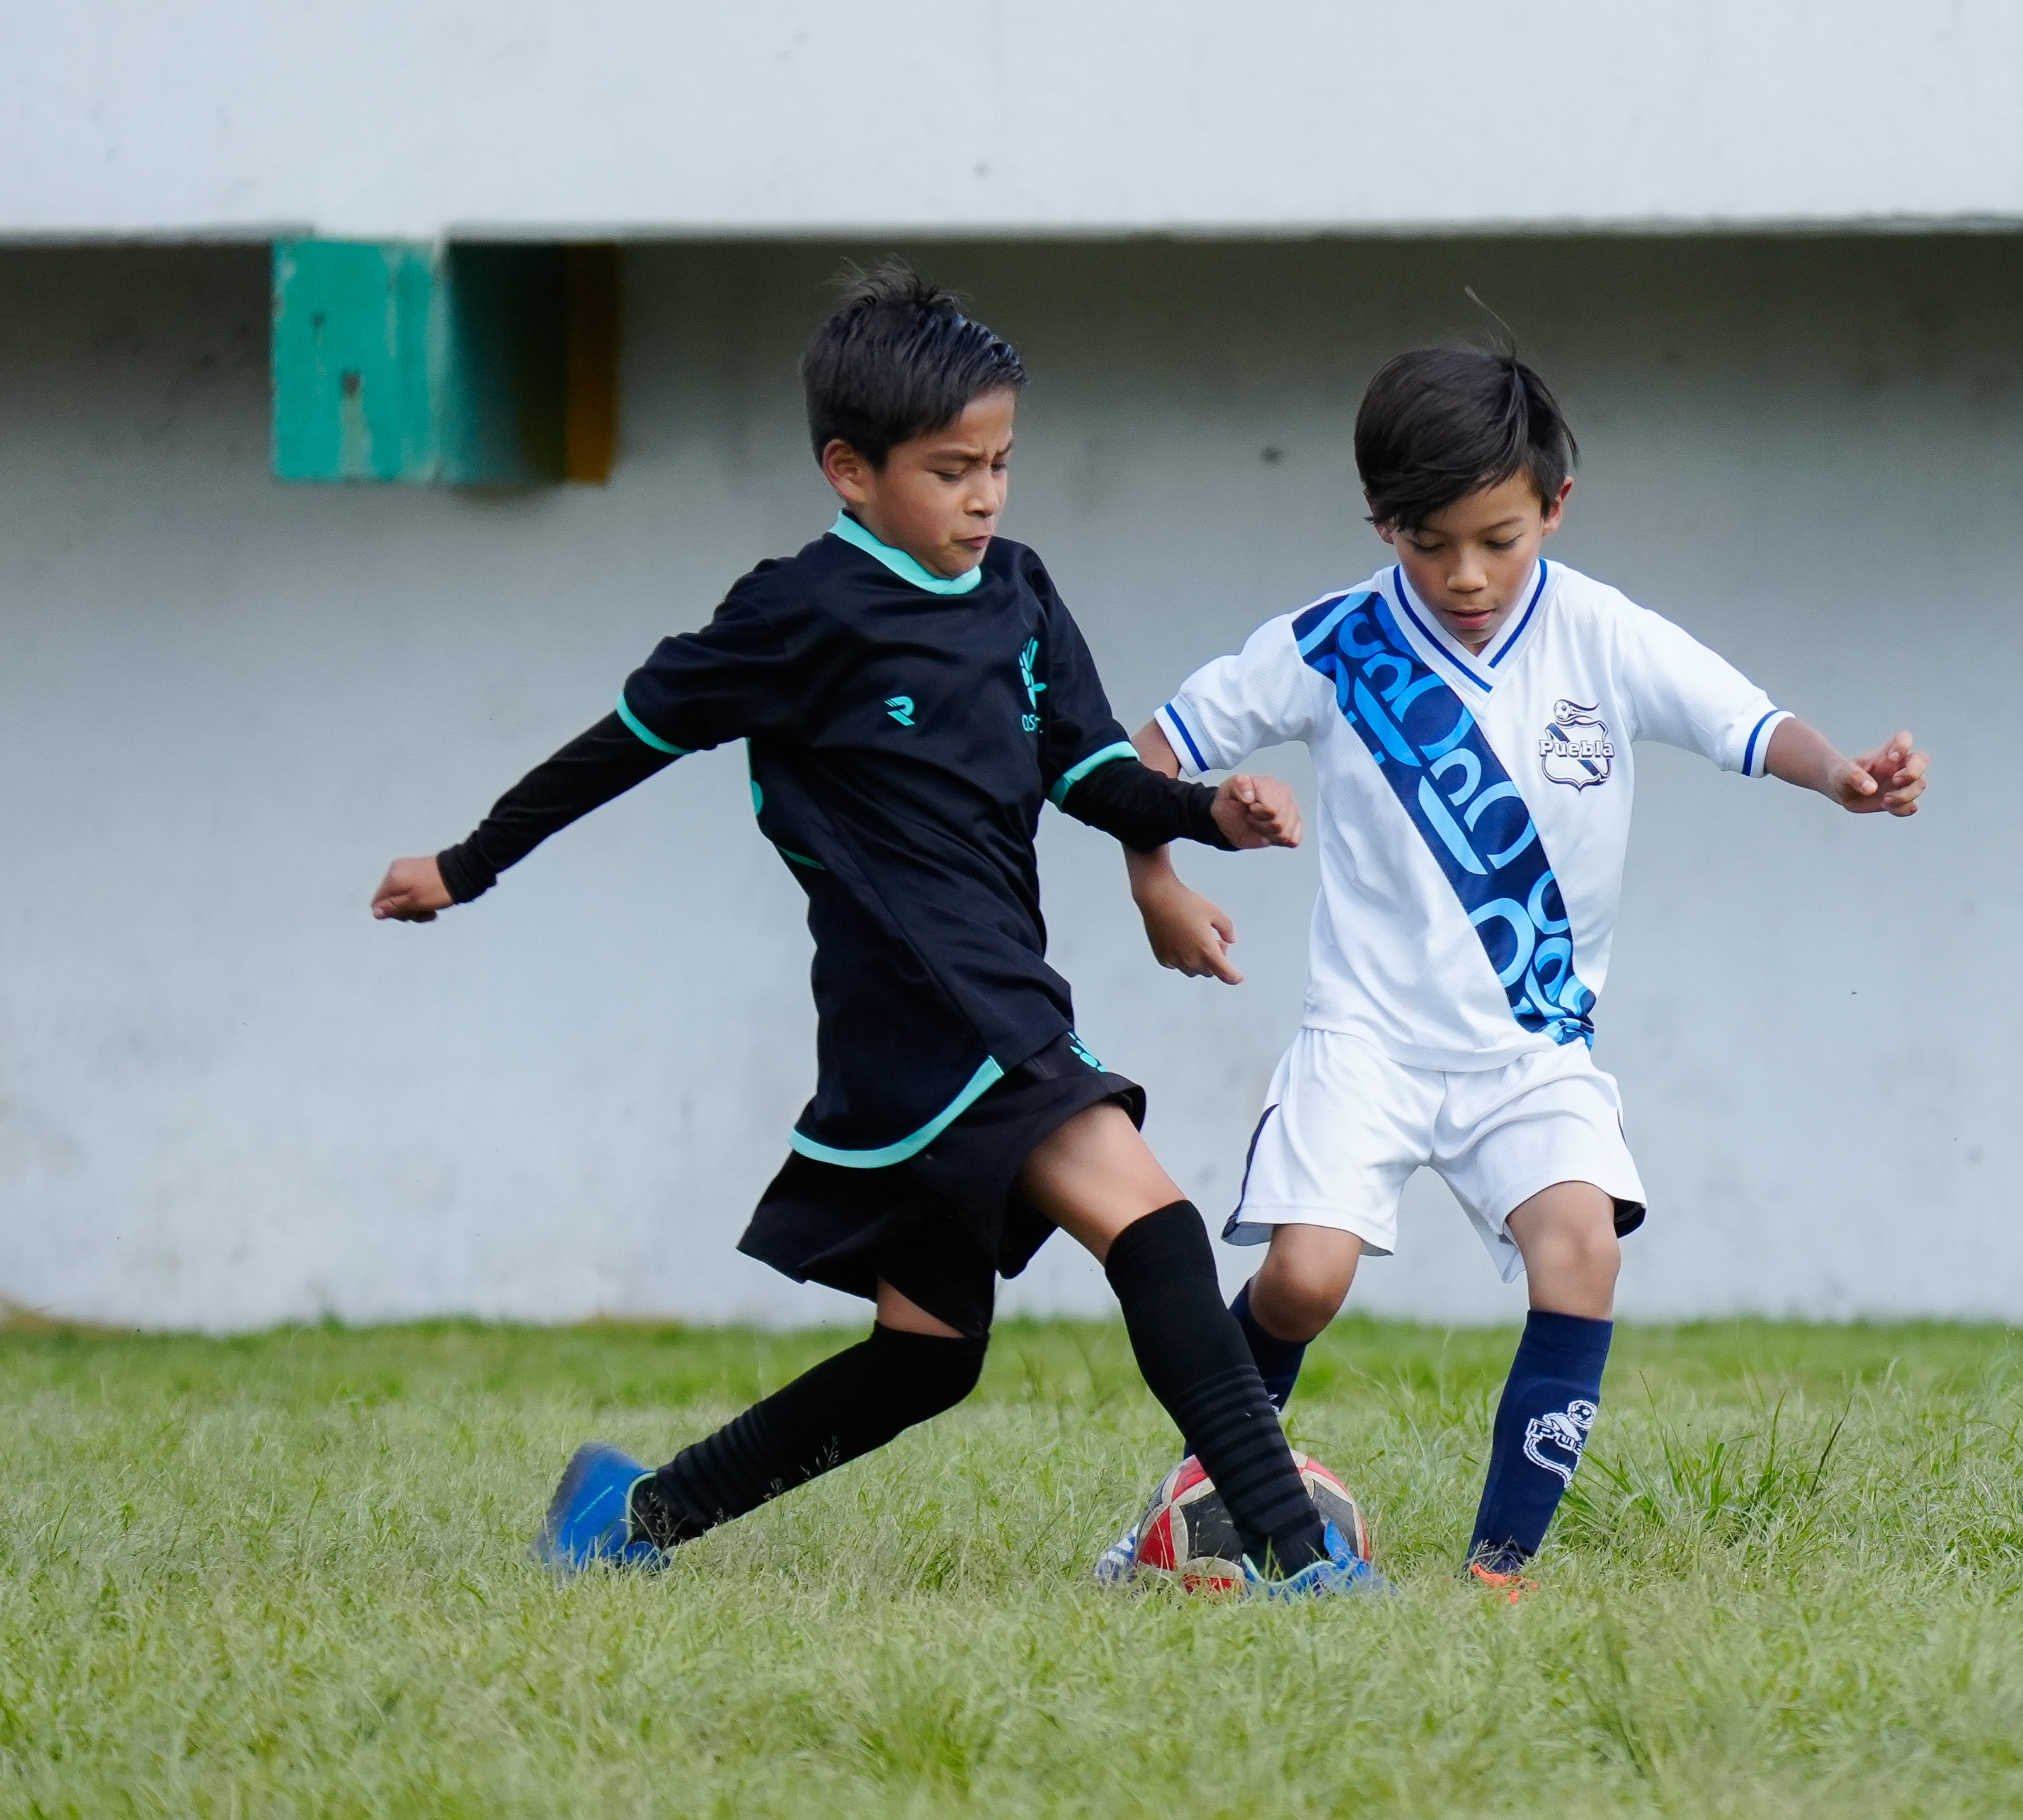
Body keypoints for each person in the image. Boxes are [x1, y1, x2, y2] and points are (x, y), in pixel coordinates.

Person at [370, 263, 1379, 1595]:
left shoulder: (1019, 594)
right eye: (952, 468)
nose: (985, 495)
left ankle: (630, 1525)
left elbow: (1084, 773)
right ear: (851, 470)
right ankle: (1299, 1560)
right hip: (932, 1007)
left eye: (1002, 462)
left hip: (988, 998)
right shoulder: (797, 613)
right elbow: (621, 744)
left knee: (926, 1358)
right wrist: (466, 863)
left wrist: (1203, 816)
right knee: (1158, 1226)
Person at [1098, 345, 1927, 1591]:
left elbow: (1745, 722)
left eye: (1498, 537)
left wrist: (1847, 777)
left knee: (1583, 1250)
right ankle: (1194, 1507)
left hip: (1535, 1051)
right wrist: (1159, 876)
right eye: (1430, 544)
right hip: (1364, 1045)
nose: (1467, 576)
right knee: (1304, 1280)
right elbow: (1149, 748)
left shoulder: (1601, 632)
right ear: (1381, 523)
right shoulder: (1332, 643)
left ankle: (1497, 1575)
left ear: (1555, 503)